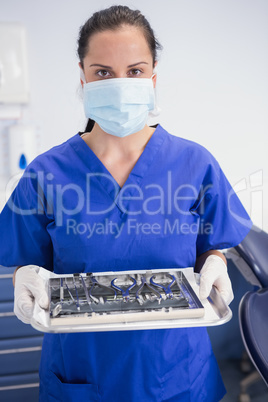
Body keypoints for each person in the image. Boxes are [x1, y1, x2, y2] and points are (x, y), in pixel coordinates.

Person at [0, 5, 252, 401]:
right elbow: (26, 261)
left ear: (153, 77)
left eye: (134, 71)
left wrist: (216, 261)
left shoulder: (194, 163)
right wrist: (23, 279)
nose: (120, 83)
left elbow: (210, 246)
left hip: (176, 375)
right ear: (82, 77)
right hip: (84, 375)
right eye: (103, 72)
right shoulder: (46, 173)